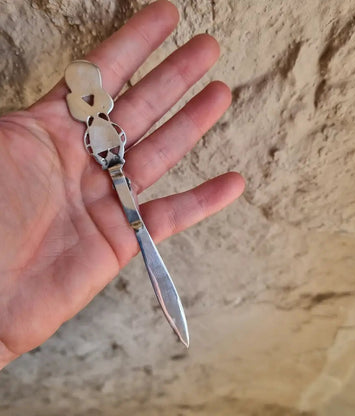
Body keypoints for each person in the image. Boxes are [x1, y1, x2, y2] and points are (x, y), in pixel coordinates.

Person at [0, 0, 245, 369]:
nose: (88, 100)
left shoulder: (106, 132)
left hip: (113, 159)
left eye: (94, 97)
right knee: (142, 236)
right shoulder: (92, 135)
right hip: (108, 161)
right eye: (83, 98)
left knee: (143, 237)